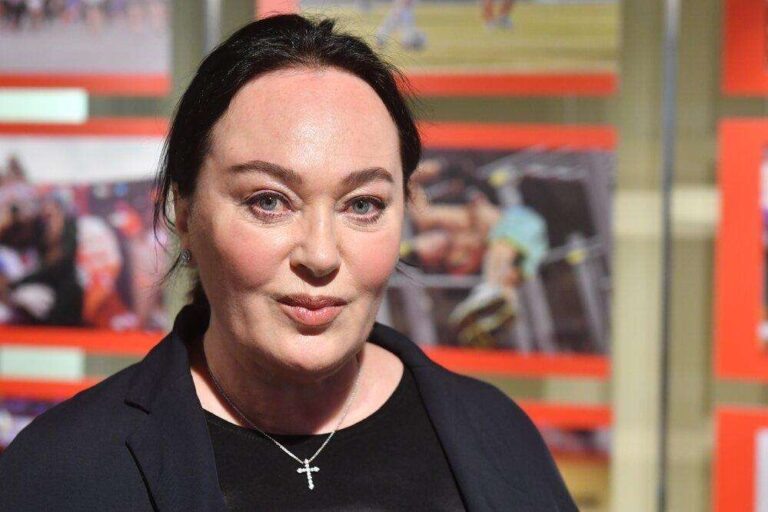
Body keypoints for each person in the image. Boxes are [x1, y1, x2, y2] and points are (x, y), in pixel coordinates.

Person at [0, 14, 576, 511]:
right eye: (269, 201)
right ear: (185, 210)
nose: (320, 255)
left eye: (363, 204)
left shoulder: (498, 436)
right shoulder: (63, 471)